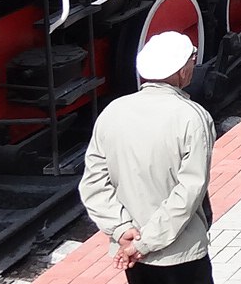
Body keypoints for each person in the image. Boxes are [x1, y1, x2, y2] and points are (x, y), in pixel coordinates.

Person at [79, 32, 216, 284]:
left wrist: (122, 230)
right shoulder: (192, 117)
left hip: (133, 252)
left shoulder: (113, 112)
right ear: (180, 69)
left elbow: (93, 184)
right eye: (192, 59)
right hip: (180, 254)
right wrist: (147, 242)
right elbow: (189, 191)